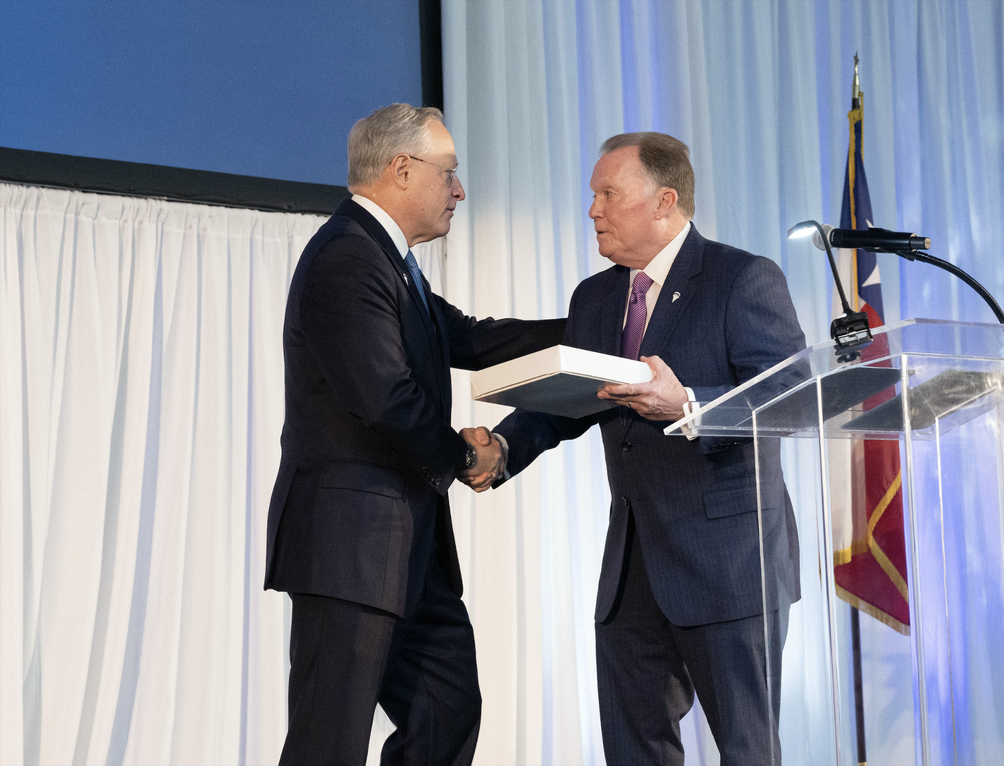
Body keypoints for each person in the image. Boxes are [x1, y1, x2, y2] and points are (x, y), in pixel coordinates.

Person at [482, 132, 806, 765]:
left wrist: (688, 406)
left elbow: (790, 396)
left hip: (730, 566)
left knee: (747, 751)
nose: (593, 209)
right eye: (593, 195)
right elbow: (572, 399)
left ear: (664, 201)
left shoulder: (741, 278)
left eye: (609, 193)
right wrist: (502, 446)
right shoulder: (596, 296)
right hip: (632, 570)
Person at [263, 104, 565, 766]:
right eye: (450, 173)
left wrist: (598, 328)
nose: (459, 190)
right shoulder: (347, 256)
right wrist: (466, 456)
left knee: (447, 709)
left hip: (410, 554)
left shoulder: (390, 260)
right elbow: (385, 399)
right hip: (351, 550)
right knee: (328, 744)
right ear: (403, 169)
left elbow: (476, 338)